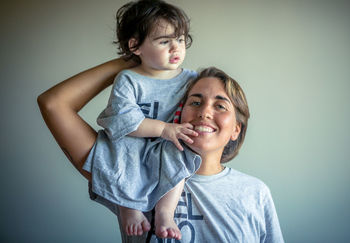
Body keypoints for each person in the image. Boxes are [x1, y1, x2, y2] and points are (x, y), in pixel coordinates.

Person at [38, 62, 284, 242]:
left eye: (220, 105)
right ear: (177, 115)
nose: (205, 112)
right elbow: (53, 104)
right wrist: (140, 60)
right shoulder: (131, 173)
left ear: (236, 130)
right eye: (195, 102)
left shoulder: (255, 193)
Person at [79, 0, 202, 240]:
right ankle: (128, 207)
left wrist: (173, 132)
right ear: (135, 46)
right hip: (132, 141)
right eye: (164, 41)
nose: (176, 48)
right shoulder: (129, 79)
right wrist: (164, 128)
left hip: (168, 144)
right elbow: (123, 119)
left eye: (180, 40)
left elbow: (198, 108)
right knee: (114, 154)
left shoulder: (190, 79)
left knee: (180, 155)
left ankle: (166, 212)